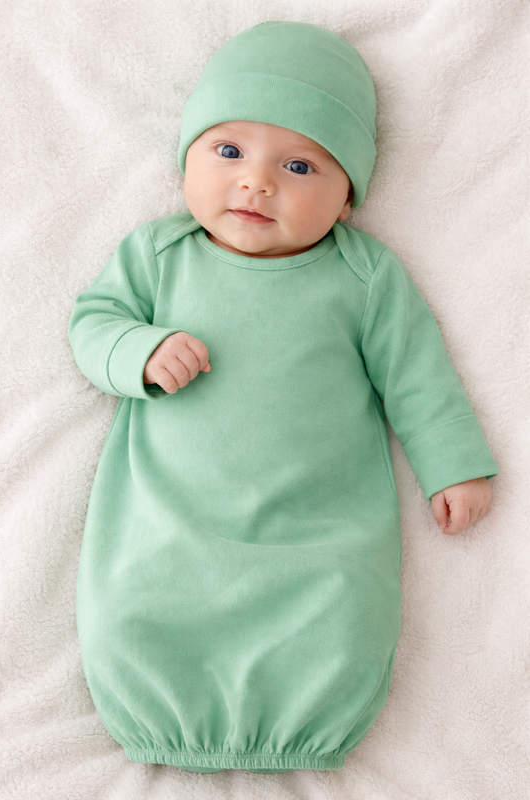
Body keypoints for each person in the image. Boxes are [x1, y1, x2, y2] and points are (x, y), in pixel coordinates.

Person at [68, 21, 499, 773]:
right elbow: (91, 325)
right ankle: (158, 709)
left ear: (347, 196)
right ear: (186, 157)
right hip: (168, 525)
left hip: (318, 533)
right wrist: (138, 351)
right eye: (228, 151)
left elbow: (417, 374)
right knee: (133, 607)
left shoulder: (363, 276)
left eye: (299, 165)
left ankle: (310, 719)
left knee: (340, 612)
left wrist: (453, 463)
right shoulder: (158, 257)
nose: (256, 182)